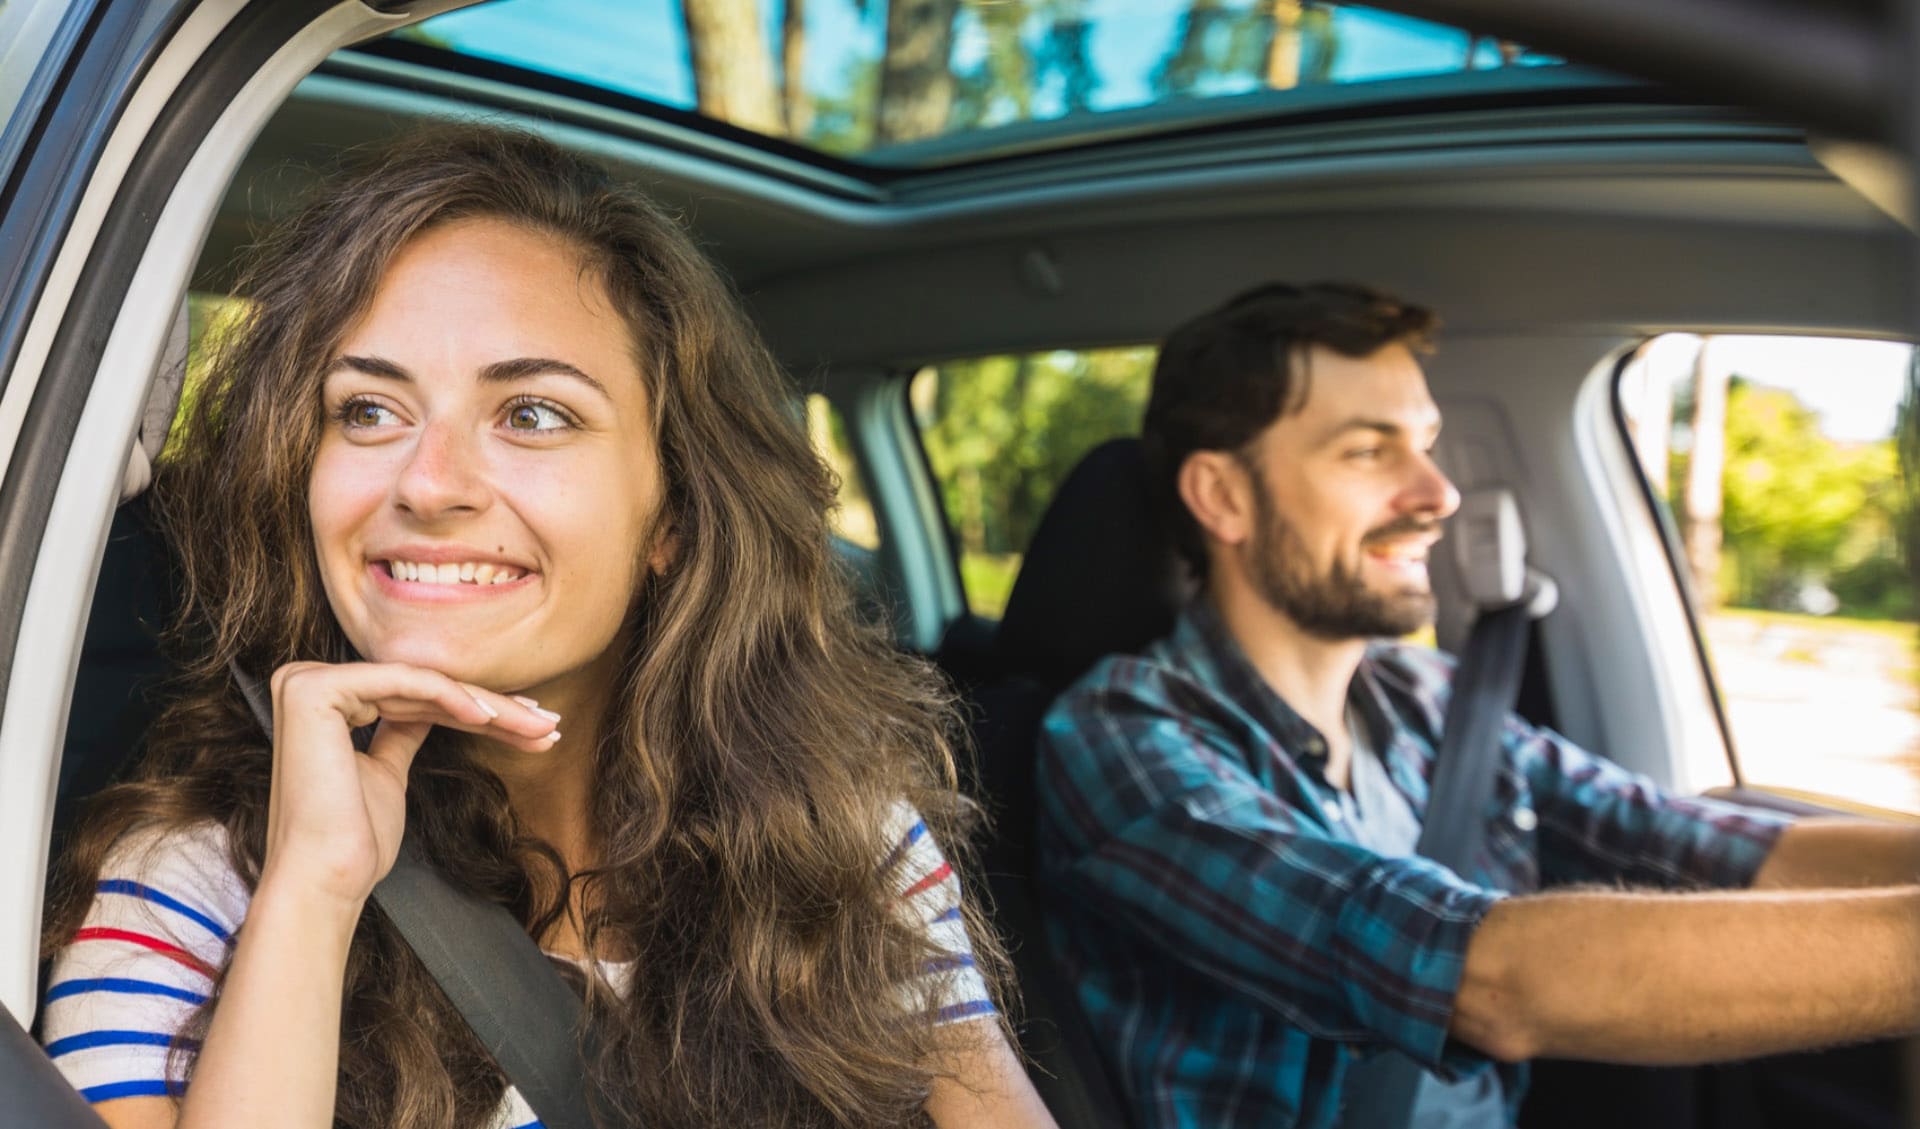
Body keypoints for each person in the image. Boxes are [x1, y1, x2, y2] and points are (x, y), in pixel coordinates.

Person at [38, 127, 1058, 1129]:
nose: (427, 483)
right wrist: (313, 894)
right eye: (368, 410)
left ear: (673, 515)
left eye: (531, 413)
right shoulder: (185, 893)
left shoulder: (843, 834)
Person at [1033, 281, 1920, 1129]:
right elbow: (1481, 974)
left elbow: (1678, 837)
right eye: (1368, 450)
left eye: (1425, 442)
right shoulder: (1118, 738)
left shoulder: (1428, 696)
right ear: (1223, 496)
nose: (1438, 494)